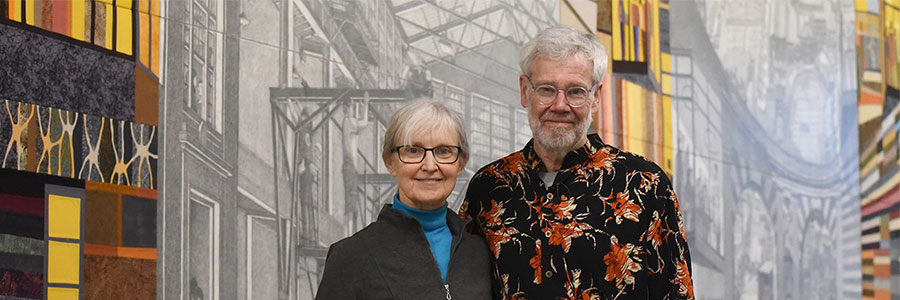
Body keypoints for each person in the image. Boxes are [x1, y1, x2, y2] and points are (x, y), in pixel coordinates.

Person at [460, 26, 695, 299]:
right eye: (546, 90)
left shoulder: (645, 184)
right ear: (525, 91)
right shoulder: (488, 187)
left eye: (575, 92)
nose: (560, 105)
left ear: (596, 97)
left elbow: (677, 292)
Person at [317, 100, 493, 299]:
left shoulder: (483, 253)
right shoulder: (351, 257)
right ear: (390, 162)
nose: (429, 165)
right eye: (413, 151)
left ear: (461, 162)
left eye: (443, 151)